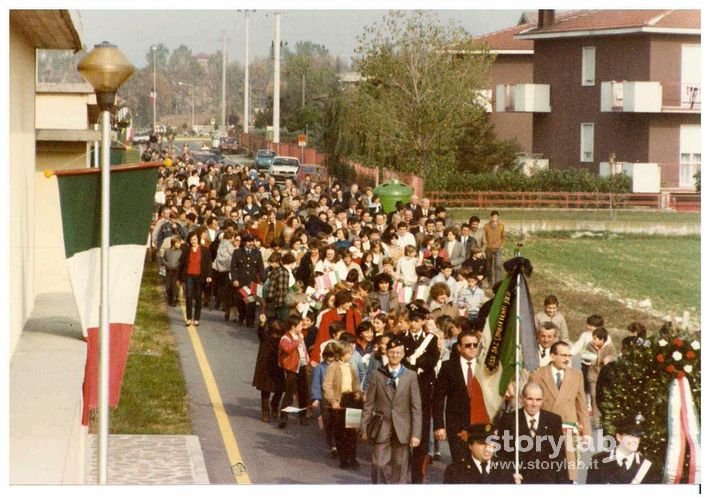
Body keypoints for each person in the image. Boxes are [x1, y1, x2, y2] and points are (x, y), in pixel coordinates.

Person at [360, 337, 422, 484]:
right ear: (386, 353)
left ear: (403, 355)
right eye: (392, 352)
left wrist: (416, 434)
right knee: (378, 464)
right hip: (382, 426)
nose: (395, 355)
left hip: (403, 428)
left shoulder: (410, 375)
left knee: (399, 467)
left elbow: (416, 407)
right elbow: (369, 404)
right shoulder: (377, 374)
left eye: (398, 353)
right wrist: (364, 426)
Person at [529, 341, 591, 482]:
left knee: (569, 474)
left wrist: (586, 432)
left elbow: (581, 406)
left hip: (568, 431)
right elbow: (529, 405)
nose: (567, 359)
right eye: (563, 355)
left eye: (568, 355)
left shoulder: (577, 375)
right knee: (545, 472)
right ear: (552, 356)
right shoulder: (537, 375)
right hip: (544, 431)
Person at [496, 382, 570, 484]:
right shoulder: (509, 420)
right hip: (519, 481)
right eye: (530, 399)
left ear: (542, 400)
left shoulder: (553, 420)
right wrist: (509, 476)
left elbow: (560, 457)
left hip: (546, 482)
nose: (534, 404)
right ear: (522, 399)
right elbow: (502, 456)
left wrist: (564, 485)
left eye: (538, 400)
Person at [400, 309, 440, 484]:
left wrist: (416, 364)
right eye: (412, 320)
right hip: (405, 388)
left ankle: (417, 474)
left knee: (422, 431)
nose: (414, 323)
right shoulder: (401, 338)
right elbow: (400, 360)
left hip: (424, 388)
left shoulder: (431, 339)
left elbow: (432, 360)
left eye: (417, 320)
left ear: (423, 321)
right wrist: (416, 366)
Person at [432, 330, 481, 463]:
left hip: (480, 426)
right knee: (460, 464)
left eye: (475, 345)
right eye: (468, 345)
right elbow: (438, 398)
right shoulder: (448, 367)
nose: (472, 348)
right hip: (457, 426)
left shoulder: (485, 367)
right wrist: (439, 426)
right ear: (459, 347)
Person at [323, 341, 363, 470]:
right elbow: (327, 386)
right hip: (340, 400)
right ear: (342, 354)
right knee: (341, 432)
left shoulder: (350, 366)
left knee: (352, 430)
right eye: (349, 353)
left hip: (351, 399)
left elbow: (356, 382)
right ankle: (343, 458)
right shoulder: (333, 367)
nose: (351, 355)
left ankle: (353, 457)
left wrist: (357, 392)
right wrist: (333, 401)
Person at [587, 417, 661, 484]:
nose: (635, 441)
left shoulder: (646, 466)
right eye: (631, 436)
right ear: (619, 437)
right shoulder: (599, 460)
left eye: (638, 437)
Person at [443, 423, 516, 484]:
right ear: (470, 445)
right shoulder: (455, 471)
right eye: (482, 443)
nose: (488, 448)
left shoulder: (505, 467)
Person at [277, 315, 310, 429]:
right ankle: (284, 416)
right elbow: (286, 348)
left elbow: (303, 350)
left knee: (303, 393)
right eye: (300, 325)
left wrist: (307, 361)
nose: (302, 326)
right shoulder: (285, 338)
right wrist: (297, 341)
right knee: (289, 394)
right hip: (291, 368)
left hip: (301, 366)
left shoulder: (300, 336)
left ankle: (303, 415)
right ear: (293, 326)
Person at [252, 316, 285, 423]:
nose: (277, 336)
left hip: (279, 367)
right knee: (265, 391)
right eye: (275, 333)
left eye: (279, 334)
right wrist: (261, 323)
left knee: (279, 389)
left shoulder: (282, 340)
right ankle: (265, 412)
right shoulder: (265, 338)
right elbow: (260, 332)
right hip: (265, 368)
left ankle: (275, 406)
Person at [230, 234, 265, 327]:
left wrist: (263, 280)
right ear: (244, 242)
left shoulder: (257, 253)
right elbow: (233, 268)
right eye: (249, 241)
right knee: (240, 301)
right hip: (241, 281)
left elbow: (261, 268)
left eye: (252, 241)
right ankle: (241, 317)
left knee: (251, 302)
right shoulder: (237, 252)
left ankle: (250, 321)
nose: (251, 243)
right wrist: (234, 279)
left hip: (252, 282)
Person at [178, 231, 213, 326]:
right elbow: (181, 264)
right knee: (188, 296)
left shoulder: (205, 250)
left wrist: (209, 276)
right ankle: (189, 318)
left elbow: (209, 264)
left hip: (200, 276)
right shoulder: (186, 250)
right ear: (189, 240)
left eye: (195, 239)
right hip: (189, 275)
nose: (193, 241)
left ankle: (196, 318)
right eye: (191, 239)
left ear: (198, 239)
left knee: (198, 297)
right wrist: (179, 278)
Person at [311, 342, 338, 459]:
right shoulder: (319, 368)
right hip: (324, 398)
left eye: (332, 356)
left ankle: (338, 443)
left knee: (337, 421)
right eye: (328, 356)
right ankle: (332, 445)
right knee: (328, 422)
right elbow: (316, 384)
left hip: (337, 397)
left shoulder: (338, 366)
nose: (330, 359)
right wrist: (316, 398)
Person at [586, 327, 617, 427]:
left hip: (604, 376)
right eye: (593, 338)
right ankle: (596, 419)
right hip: (593, 375)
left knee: (603, 396)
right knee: (593, 395)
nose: (593, 340)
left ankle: (605, 417)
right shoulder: (590, 345)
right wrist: (589, 359)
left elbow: (614, 357)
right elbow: (585, 356)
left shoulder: (610, 347)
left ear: (602, 339)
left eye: (596, 339)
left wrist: (609, 359)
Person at [483, 210, 505, 287]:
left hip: (498, 248)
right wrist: (485, 246)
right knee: (489, 266)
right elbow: (484, 237)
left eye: (496, 217)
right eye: (493, 217)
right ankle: (490, 282)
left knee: (498, 265)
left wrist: (502, 245)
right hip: (489, 248)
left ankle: (498, 283)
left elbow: (503, 237)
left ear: (498, 217)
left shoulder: (501, 225)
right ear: (491, 217)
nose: (494, 218)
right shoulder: (486, 226)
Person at [162, 235, 183, 307]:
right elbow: (163, 259)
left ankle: (174, 299)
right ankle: (169, 298)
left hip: (176, 271)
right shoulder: (167, 251)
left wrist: (178, 265)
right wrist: (166, 264)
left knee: (174, 286)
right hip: (168, 270)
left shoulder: (180, 252)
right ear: (174, 243)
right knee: (168, 285)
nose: (180, 244)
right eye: (178, 243)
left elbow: (181, 261)